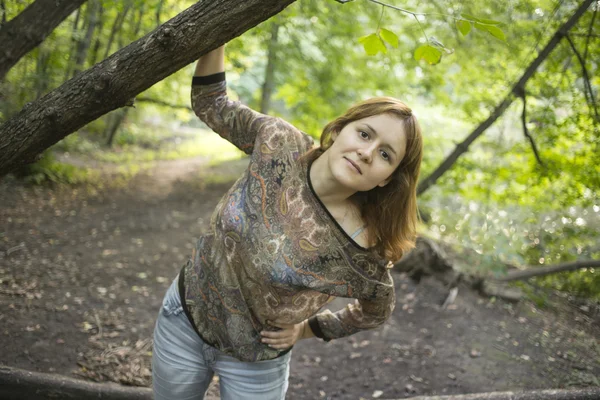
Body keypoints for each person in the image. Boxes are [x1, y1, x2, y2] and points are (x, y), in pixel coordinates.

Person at [151, 44, 423, 400]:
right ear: (341, 128)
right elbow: (211, 103)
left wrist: (310, 329)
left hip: (258, 363)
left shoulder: (362, 248)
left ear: (387, 178)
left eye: (386, 155)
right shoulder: (279, 144)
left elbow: (376, 310)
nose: (367, 152)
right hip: (182, 321)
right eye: (365, 133)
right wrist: (218, 34)